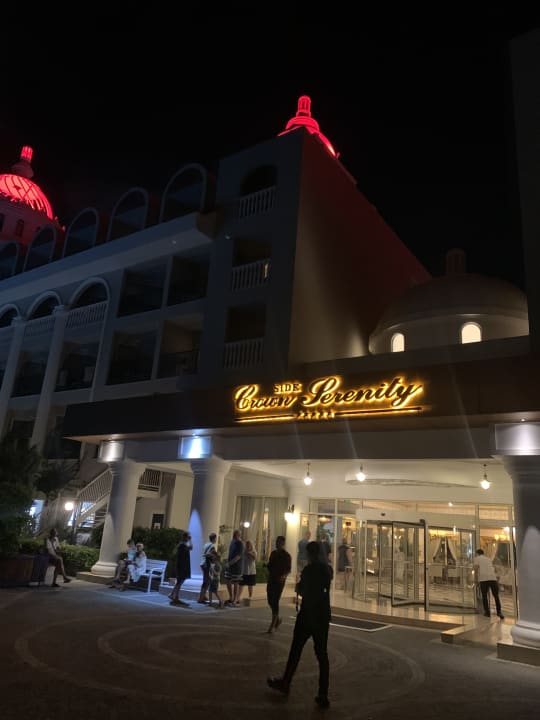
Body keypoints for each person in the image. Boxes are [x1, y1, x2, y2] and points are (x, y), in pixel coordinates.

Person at [267, 540, 333, 709]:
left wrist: (299, 584)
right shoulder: (327, 570)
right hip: (322, 616)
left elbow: (302, 590)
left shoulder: (309, 570)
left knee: (296, 650)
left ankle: (286, 682)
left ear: (310, 554)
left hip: (307, 616)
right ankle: (323, 693)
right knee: (322, 655)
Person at [265, 535, 292, 633]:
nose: (277, 544)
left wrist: (283, 576)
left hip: (279, 581)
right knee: (270, 600)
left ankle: (273, 624)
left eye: (279, 542)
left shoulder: (286, 556)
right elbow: (270, 565)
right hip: (271, 579)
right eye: (276, 542)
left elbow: (288, 569)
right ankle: (277, 619)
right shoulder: (273, 554)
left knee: (275, 600)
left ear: (283, 543)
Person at [474, 548, 504, 619]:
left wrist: (476, 579)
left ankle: (487, 612)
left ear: (477, 554)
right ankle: (499, 612)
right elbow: (493, 568)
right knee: (496, 596)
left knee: (484, 596)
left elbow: (475, 569)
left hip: (483, 579)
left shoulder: (477, 558)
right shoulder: (488, 559)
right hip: (493, 578)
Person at [170, 532, 193, 606]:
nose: (188, 538)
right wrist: (190, 540)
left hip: (181, 565)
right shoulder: (182, 545)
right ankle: (176, 598)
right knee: (180, 581)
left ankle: (172, 594)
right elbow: (191, 547)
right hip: (182, 566)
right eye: (188, 537)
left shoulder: (181, 544)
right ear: (185, 537)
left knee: (179, 581)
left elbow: (174, 552)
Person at [224, 529, 244, 606]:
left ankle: (235, 599)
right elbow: (230, 553)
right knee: (227, 580)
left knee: (236, 582)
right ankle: (231, 597)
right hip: (230, 566)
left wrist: (230, 563)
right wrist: (228, 561)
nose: (233, 535)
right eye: (234, 534)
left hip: (237, 566)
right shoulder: (232, 542)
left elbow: (238, 556)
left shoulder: (240, 543)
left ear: (238, 535)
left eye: (235, 534)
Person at [198, 532, 217, 603]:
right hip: (207, 564)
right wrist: (214, 556)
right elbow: (208, 554)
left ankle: (203, 596)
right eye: (216, 538)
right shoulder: (212, 546)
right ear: (214, 539)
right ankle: (200, 598)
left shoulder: (206, 544)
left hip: (202, 563)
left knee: (207, 580)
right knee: (206, 581)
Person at [237, 539, 257, 605]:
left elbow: (254, 558)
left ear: (251, 545)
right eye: (247, 545)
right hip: (244, 571)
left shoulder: (254, 552)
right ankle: (238, 598)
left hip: (251, 572)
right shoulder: (243, 552)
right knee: (241, 585)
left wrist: (249, 553)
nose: (248, 546)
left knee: (250, 586)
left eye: (249, 545)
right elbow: (239, 558)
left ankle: (250, 598)